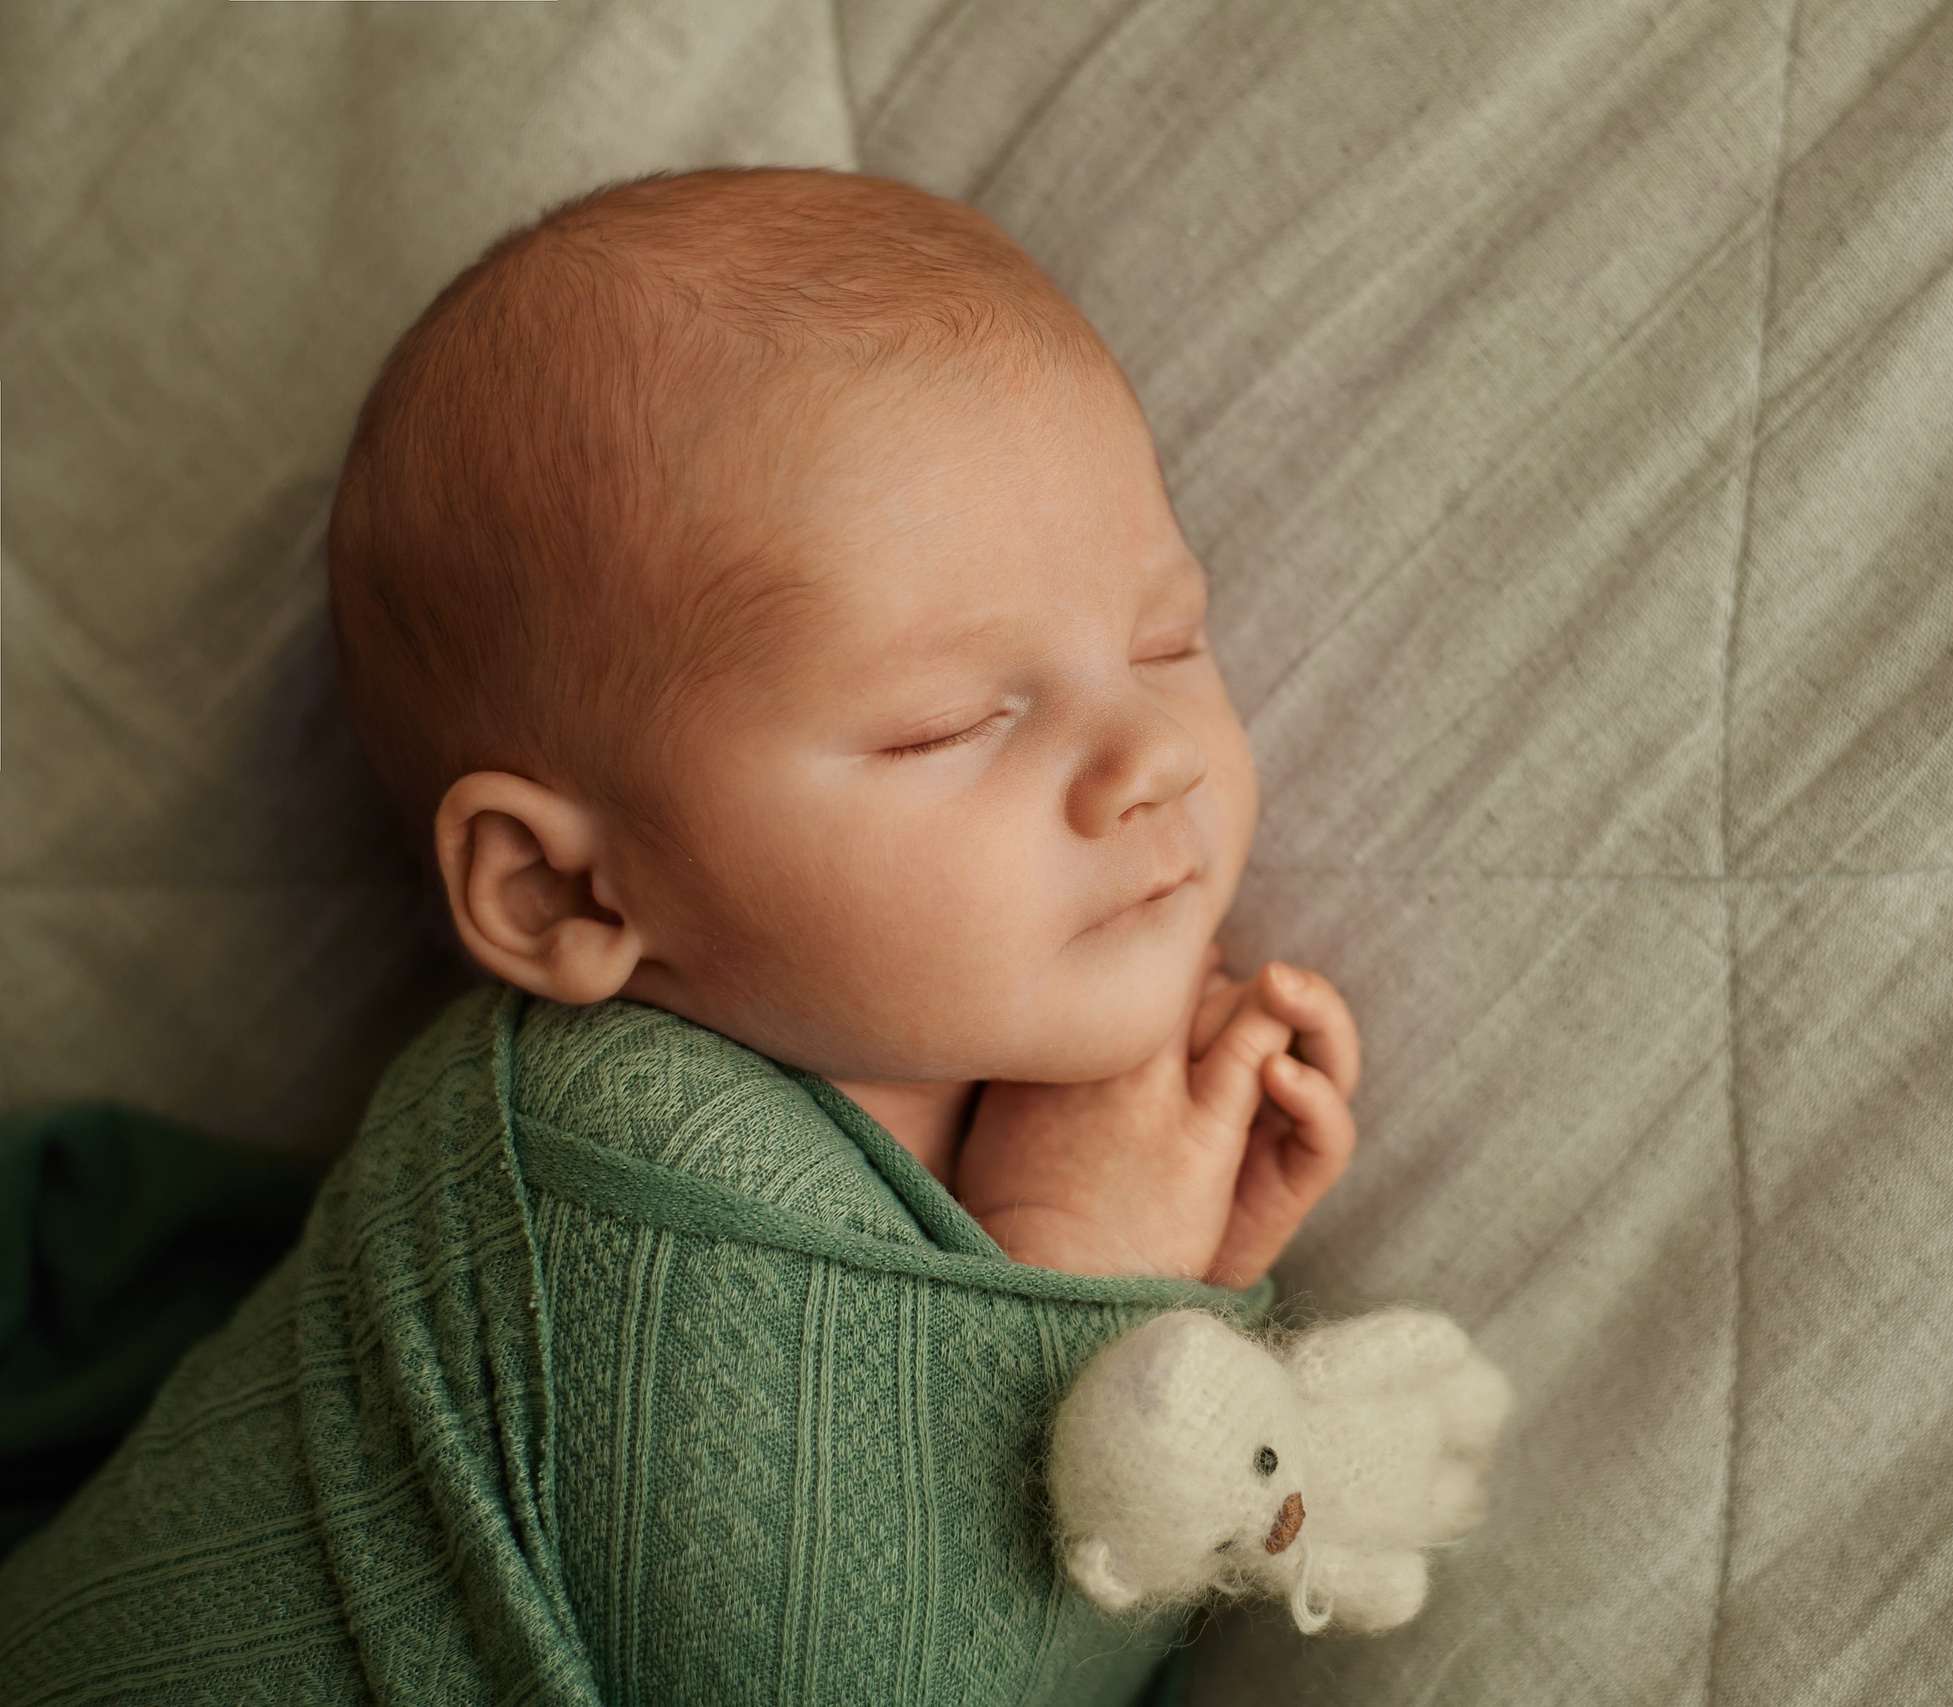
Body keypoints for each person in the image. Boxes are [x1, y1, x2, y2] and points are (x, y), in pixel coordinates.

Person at [0, 167, 1362, 1707]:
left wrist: (1114, 1288)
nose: (1152, 756)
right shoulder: (621, 1154)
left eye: (1165, 638)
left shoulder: (890, 1088)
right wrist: (1094, 1278)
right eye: (947, 725)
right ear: (566, 896)